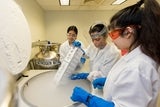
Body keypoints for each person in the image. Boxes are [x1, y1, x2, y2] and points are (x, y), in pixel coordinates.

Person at [70, 0, 160, 107]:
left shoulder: (137, 67)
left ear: (128, 32)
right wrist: (109, 81)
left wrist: (87, 98)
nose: (112, 40)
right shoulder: (132, 55)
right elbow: (125, 81)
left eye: (113, 34)